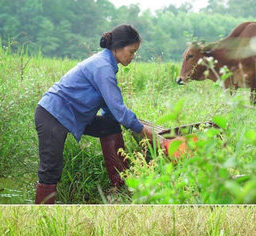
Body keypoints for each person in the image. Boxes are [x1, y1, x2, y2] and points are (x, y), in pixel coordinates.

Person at [34, 24, 176, 204]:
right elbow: (118, 109)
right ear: (117, 48)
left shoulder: (106, 64)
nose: (133, 57)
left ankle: (120, 187)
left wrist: (133, 123)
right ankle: (43, 210)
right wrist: (147, 133)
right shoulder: (102, 67)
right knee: (51, 170)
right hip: (53, 114)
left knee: (109, 126)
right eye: (131, 52)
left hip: (73, 114)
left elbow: (110, 110)